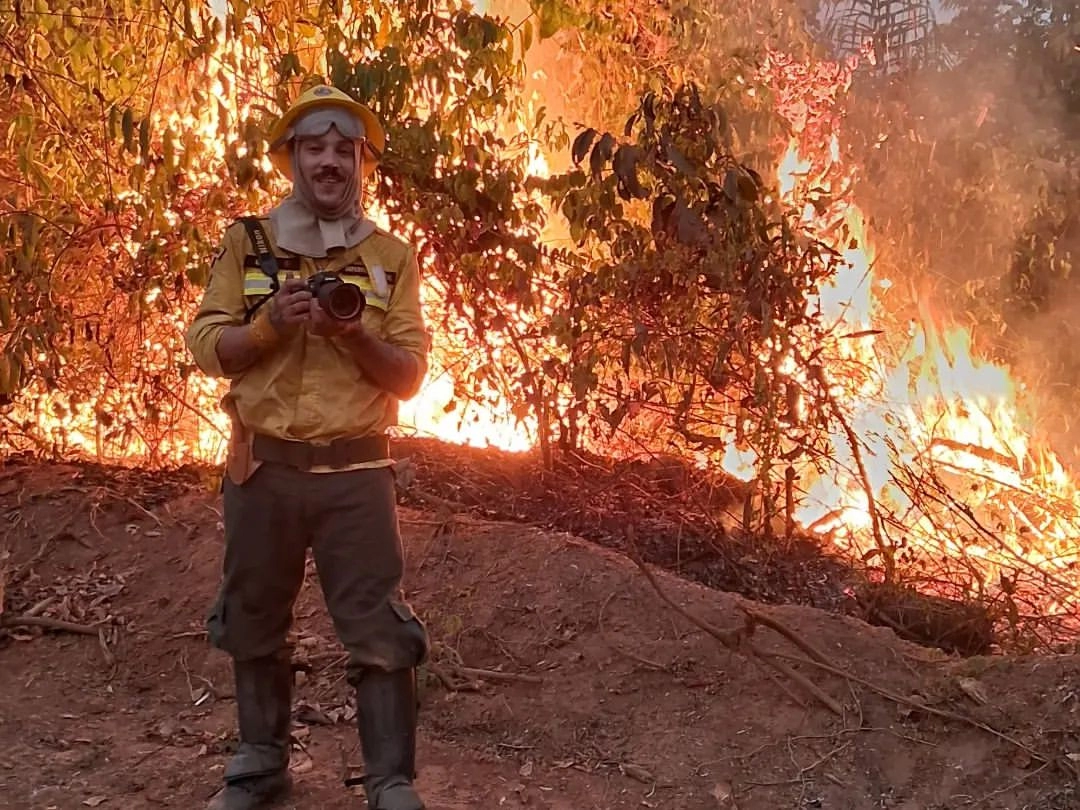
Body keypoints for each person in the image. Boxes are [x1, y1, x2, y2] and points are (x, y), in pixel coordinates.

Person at [185, 83, 430, 810]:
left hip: (357, 475)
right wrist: (268, 327)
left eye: (344, 150)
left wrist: (354, 333)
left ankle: (390, 781)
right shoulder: (246, 244)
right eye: (315, 147)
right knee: (253, 613)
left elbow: (411, 377)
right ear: (292, 158)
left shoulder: (390, 259)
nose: (330, 161)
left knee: (379, 627)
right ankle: (261, 761)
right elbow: (204, 344)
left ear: (362, 164)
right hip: (264, 471)